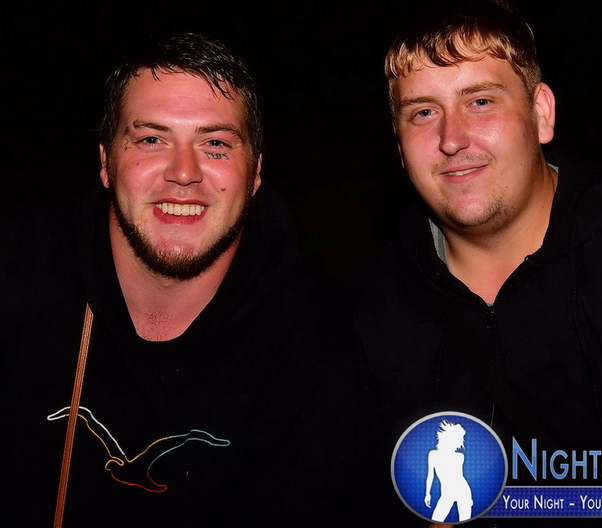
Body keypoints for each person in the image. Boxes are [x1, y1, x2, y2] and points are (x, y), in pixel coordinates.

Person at [1, 33, 364, 527]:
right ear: (106, 162)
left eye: (215, 144)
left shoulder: (321, 340)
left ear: (255, 173)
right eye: (152, 139)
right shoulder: (20, 278)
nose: (183, 173)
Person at [352, 0, 602, 521]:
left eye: (480, 101)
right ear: (398, 146)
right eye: (423, 112)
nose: (452, 139)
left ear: (540, 114)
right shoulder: (367, 312)